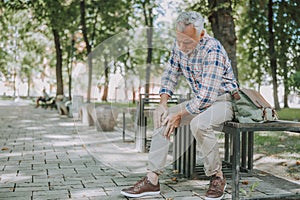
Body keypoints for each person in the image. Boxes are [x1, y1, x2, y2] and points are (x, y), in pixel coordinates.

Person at [121, 11, 239, 200]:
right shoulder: (179, 47)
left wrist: (180, 114)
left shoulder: (212, 49)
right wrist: (163, 104)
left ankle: (217, 177)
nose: (182, 46)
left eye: (188, 42)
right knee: (162, 117)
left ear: (201, 35)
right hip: (198, 101)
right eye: (179, 41)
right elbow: (170, 74)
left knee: (199, 124)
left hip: (222, 101)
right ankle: (152, 180)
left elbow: (207, 97)